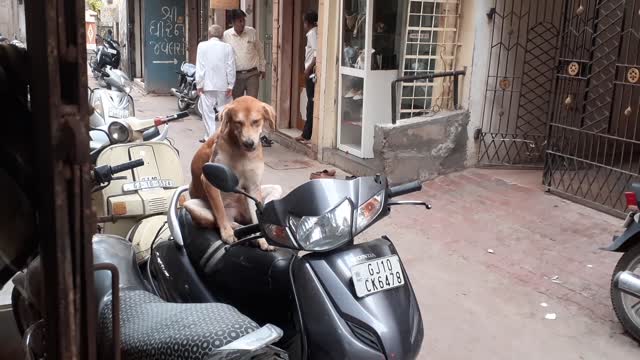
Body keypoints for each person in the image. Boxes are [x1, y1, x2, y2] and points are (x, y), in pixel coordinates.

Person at [223, 9, 273, 147]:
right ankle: (237, 136)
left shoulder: (251, 32)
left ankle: (256, 136)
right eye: (239, 21)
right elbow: (224, 57)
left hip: (252, 74)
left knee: (253, 106)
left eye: (244, 20)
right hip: (236, 76)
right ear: (232, 22)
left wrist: (262, 68)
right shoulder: (226, 35)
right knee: (237, 107)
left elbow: (260, 49)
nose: (242, 23)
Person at [195, 24, 235, 142]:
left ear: (209, 34)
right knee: (224, 111)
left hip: (207, 85)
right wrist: (230, 84)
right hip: (223, 85)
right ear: (222, 35)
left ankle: (211, 137)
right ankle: (225, 136)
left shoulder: (202, 46)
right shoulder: (227, 47)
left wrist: (199, 84)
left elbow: (200, 66)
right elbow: (230, 67)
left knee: (207, 112)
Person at [296, 10, 318, 143]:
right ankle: (307, 133)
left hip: (311, 72)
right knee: (311, 102)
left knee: (310, 103)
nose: (303, 24)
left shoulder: (311, 33)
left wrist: (308, 69)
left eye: (304, 21)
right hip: (311, 71)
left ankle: (306, 134)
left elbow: (316, 53)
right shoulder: (315, 32)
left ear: (307, 22)